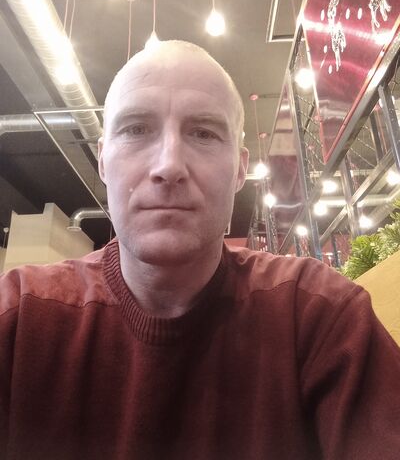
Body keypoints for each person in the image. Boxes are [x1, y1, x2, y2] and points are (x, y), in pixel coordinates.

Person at [1, 40, 400, 460]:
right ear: (102, 160)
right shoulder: (19, 319)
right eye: (136, 129)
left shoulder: (320, 315)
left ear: (241, 169)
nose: (169, 166)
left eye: (203, 133)